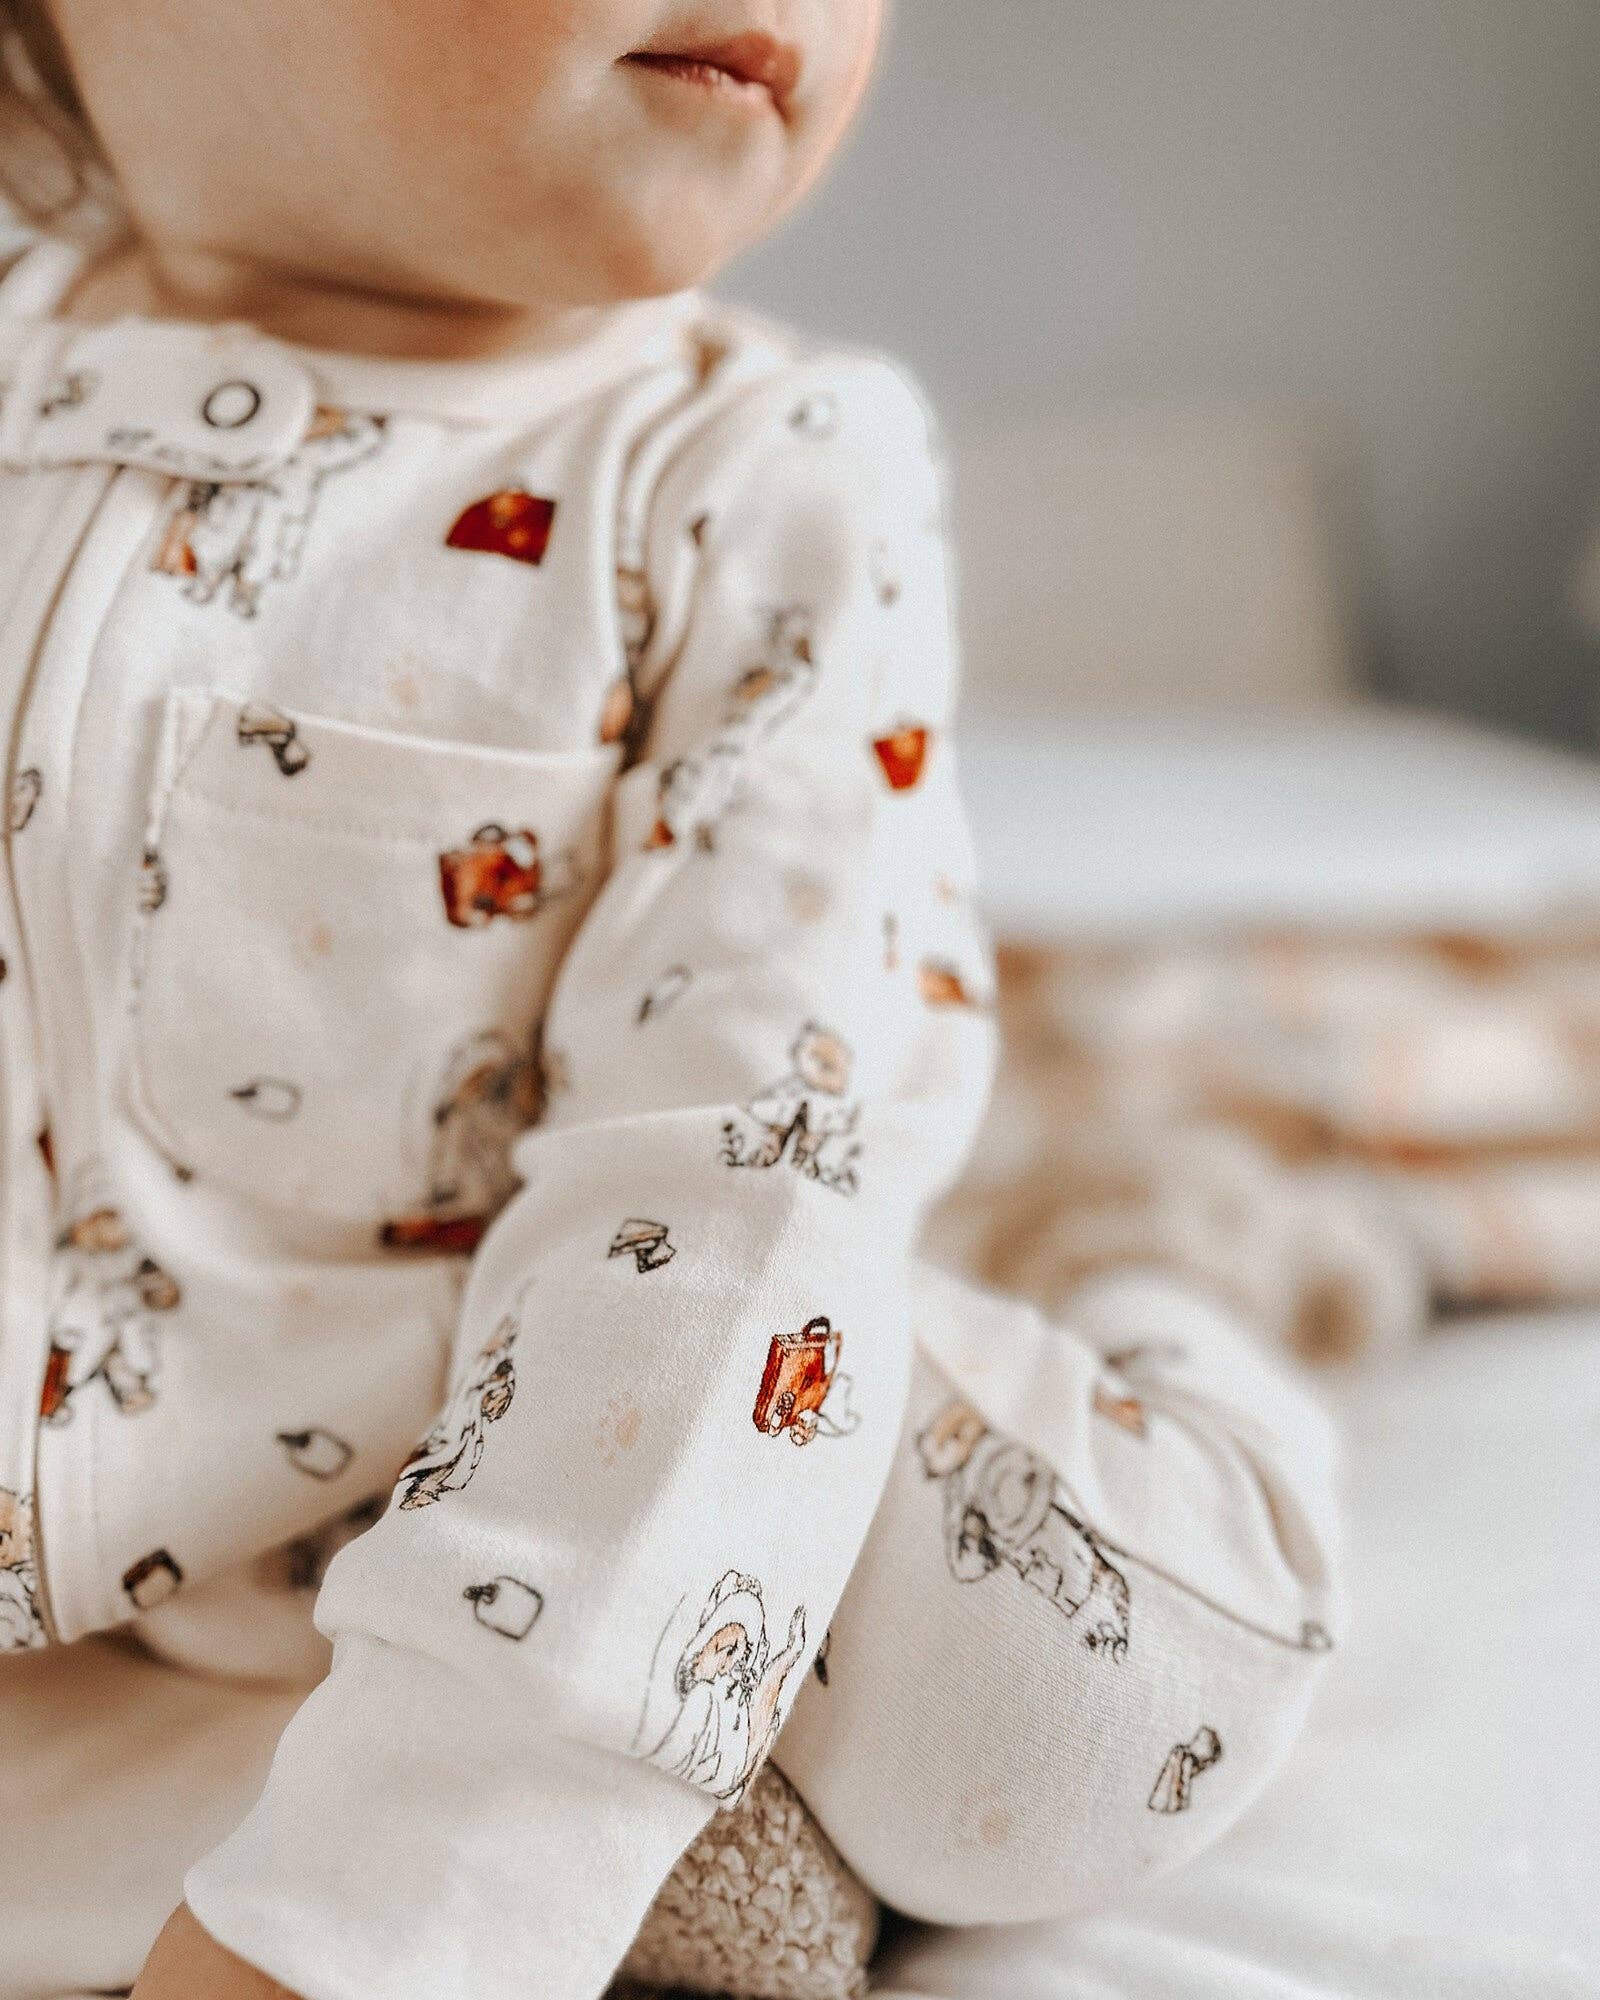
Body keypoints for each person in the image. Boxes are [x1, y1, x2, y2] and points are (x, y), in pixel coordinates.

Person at [0, 2, 1341, 1995]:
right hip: (146, 1530)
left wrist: (399, 1911)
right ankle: (652, 1810)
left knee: (1061, 1722)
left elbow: (724, 1206)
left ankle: (1167, 1256)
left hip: (639, 1376)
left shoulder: (754, 478)